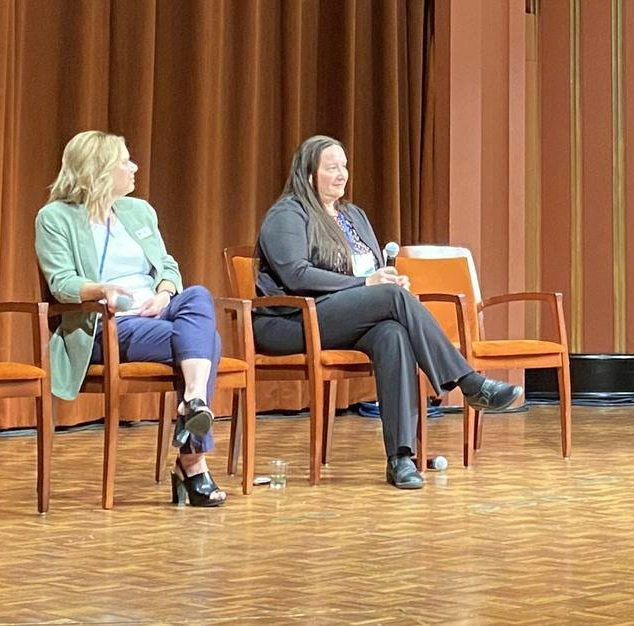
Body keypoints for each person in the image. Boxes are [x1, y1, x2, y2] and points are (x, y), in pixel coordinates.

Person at [253, 134, 524, 489]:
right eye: (331, 167)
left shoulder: (354, 215)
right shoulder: (288, 213)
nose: (342, 174)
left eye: (344, 166)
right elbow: (296, 274)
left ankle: (400, 458)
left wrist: (386, 279)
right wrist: (369, 286)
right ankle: (469, 383)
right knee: (391, 300)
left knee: (392, 335)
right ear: (308, 175)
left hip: (337, 316)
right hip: (289, 321)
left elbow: (372, 269)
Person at [36, 130, 227, 507]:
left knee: (198, 296)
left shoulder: (139, 211)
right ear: (101, 170)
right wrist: (101, 290)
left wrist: (164, 292)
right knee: (208, 342)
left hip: (155, 309)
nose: (134, 167)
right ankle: (193, 463)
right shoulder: (55, 218)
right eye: (126, 161)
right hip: (104, 324)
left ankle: (191, 401)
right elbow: (62, 282)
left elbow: (167, 264)